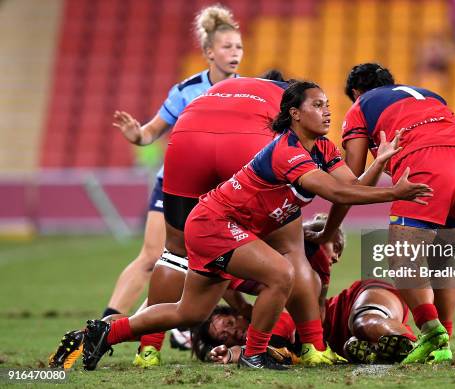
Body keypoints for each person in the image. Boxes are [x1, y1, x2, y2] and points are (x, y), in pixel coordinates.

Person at [80, 81, 433, 370]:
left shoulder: (322, 147)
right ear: (294, 114)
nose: (327, 111)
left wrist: (380, 163)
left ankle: (104, 334)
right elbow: (336, 191)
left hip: (220, 225)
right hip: (213, 224)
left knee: (191, 312)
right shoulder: (288, 151)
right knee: (282, 273)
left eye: (327, 104)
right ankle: (254, 353)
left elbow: (350, 186)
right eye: (317, 105)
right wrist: (395, 192)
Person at [311, 63, 455, 364]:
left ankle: (431, 334)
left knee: (403, 257)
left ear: (355, 93)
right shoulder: (430, 96)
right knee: (441, 262)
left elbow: (349, 182)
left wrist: (329, 233)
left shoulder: (361, 106)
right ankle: (444, 342)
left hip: (429, 165)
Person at [101, 4, 243, 364]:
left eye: (239, 47)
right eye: (227, 47)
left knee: (195, 264)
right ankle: (107, 321)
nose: (235, 54)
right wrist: (138, 135)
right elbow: (151, 132)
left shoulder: (246, 91)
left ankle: (160, 329)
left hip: (218, 192)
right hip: (176, 186)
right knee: (154, 256)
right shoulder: (186, 90)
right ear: (210, 51)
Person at [200, 279, 417, 365]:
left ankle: (409, 344)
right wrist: (228, 354)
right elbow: (261, 350)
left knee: (363, 323)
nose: (233, 333)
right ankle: (378, 350)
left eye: (228, 324)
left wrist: (233, 353)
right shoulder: (261, 341)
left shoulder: (265, 311)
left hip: (355, 302)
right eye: (224, 337)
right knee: (353, 346)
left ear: (238, 315)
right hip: (342, 341)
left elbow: (261, 345)